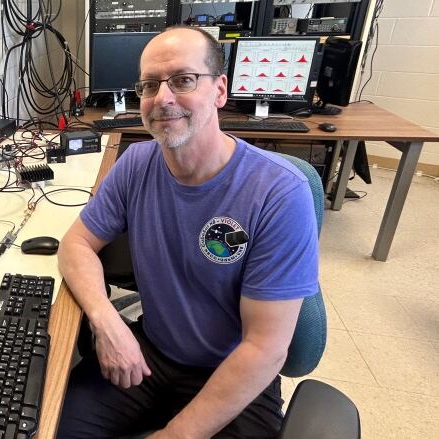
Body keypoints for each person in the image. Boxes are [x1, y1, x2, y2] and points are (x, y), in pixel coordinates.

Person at [57, 26, 319, 439]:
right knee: (43, 424)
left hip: (235, 371)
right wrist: (107, 321)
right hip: (154, 354)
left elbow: (265, 348)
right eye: (148, 85)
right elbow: (75, 244)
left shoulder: (279, 192)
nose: (161, 98)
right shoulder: (135, 164)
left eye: (183, 80)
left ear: (219, 90)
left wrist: (176, 435)